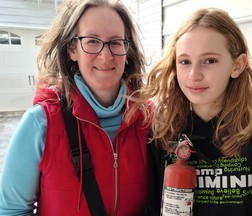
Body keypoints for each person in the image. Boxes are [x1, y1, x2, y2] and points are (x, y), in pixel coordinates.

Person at [0, 0, 151, 215]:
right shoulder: (41, 124)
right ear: (72, 49)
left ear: (127, 51)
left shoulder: (151, 121)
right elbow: (12, 210)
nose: (106, 56)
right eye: (91, 41)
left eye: (116, 42)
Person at [133, 8, 252, 216]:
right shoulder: (163, 131)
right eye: (185, 62)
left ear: (237, 65)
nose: (194, 75)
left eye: (210, 61)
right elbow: (149, 205)